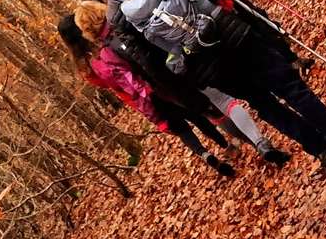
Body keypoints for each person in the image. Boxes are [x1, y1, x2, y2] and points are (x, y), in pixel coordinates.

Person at [86, 0, 326, 178]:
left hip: (207, 66)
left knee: (265, 104)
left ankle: (324, 153)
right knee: (292, 89)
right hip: (233, 34)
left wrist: (190, 81)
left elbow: (152, 66)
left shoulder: (116, 16)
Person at [58, 11, 236, 177]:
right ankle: (226, 145)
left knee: (180, 129)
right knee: (194, 115)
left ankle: (204, 154)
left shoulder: (85, 67)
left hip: (139, 100)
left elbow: (107, 84)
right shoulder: (104, 48)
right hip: (152, 86)